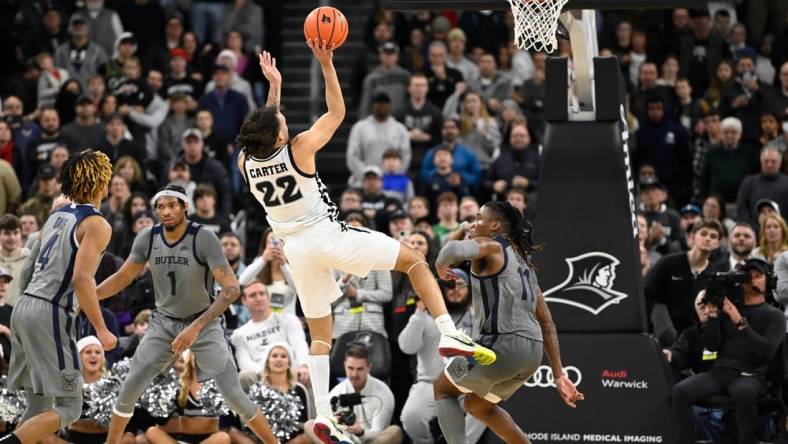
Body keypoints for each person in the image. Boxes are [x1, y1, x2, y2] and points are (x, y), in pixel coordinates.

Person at [236, 46, 496, 444]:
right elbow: (337, 113)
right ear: (279, 134)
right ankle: (448, 333)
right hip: (326, 235)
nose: (285, 121)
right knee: (413, 260)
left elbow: (264, 132)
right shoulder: (300, 147)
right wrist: (326, 64)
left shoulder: (245, 163)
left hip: (296, 251)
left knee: (321, 333)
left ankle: (323, 414)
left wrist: (274, 90)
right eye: (281, 123)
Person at [94, 184, 277, 444]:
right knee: (130, 386)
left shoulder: (203, 237)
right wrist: (89, 297)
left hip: (204, 321)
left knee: (233, 394)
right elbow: (123, 276)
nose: (166, 212)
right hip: (163, 322)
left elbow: (232, 289)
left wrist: (195, 328)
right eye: (161, 207)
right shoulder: (147, 237)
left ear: (184, 207)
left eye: (172, 206)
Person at [432, 201, 584, 444]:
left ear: (494, 225)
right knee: (477, 406)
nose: (473, 223)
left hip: (499, 348)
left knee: (443, 388)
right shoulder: (526, 265)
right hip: (531, 356)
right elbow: (547, 323)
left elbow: (451, 252)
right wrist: (558, 374)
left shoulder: (491, 245)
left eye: (479, 218)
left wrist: (440, 264)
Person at [2, 150, 117, 444]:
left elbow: (29, 264)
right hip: (49, 311)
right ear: (100, 183)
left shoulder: (56, 215)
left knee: (39, 405)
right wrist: (102, 329)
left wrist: (25, 306)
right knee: (70, 406)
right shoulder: (97, 224)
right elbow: (81, 278)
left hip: (25, 304)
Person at [671, 259, 785, 444]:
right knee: (680, 391)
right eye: (748, 276)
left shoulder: (774, 315)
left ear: (769, 281)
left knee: (744, 393)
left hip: (751, 375)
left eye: (758, 276)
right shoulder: (727, 311)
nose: (752, 280)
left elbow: (765, 351)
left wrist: (739, 320)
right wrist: (714, 315)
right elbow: (712, 346)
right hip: (719, 372)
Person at [399, 268, 484, 444]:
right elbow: (407, 347)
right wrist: (419, 313)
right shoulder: (426, 316)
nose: (455, 290)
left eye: (461, 285)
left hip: (465, 383)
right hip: (430, 382)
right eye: (450, 286)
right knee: (411, 417)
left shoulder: (477, 317)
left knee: (483, 407)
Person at [45, 336, 136, 444]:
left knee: (129, 439)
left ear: (102, 358)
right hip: (73, 439)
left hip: (109, 439)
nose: (93, 355)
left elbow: (127, 420)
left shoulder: (114, 383)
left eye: (98, 352)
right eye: (88, 352)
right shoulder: (66, 384)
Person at [644, 219, 724, 342]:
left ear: (718, 243)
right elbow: (647, 296)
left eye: (713, 236)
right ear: (692, 237)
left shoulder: (713, 276)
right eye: (703, 234)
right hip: (663, 338)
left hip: (693, 341)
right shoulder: (667, 263)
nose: (708, 238)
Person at [305, 346, 403, 444]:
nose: (354, 374)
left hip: (371, 441)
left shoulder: (384, 394)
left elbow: (378, 433)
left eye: (360, 369)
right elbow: (331, 431)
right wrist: (335, 424)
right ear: (344, 366)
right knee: (310, 425)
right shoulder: (336, 393)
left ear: (369, 367)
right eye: (350, 368)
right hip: (343, 441)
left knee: (395, 431)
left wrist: (360, 432)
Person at [231, 280, 310, 392]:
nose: (258, 298)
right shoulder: (239, 334)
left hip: (291, 371)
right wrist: (266, 373)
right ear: (244, 301)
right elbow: (243, 361)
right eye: (253, 295)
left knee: (311, 371)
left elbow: (299, 344)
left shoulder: (288, 319)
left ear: (268, 297)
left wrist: (304, 365)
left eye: (262, 294)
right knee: (244, 376)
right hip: (260, 376)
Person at [228, 343, 311, 444]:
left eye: (283, 356)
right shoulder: (255, 388)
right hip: (256, 440)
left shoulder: (299, 389)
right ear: (267, 361)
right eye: (274, 356)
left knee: (307, 436)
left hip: (291, 441)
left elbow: (305, 424)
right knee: (232, 433)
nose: (278, 359)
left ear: (289, 362)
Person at [144, 350, 232, 444]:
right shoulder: (177, 383)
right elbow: (164, 424)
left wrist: (184, 423)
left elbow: (214, 425)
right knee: (152, 432)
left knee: (223, 437)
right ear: (190, 358)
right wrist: (193, 424)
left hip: (207, 441)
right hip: (178, 440)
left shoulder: (216, 386)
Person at [736, 146, 788, 226]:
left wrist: (780, 227)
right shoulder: (749, 182)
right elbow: (741, 209)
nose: (769, 165)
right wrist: (752, 228)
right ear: (761, 162)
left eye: (773, 161)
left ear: (780, 163)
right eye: (766, 161)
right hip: (753, 229)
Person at [0, 215, 31, 307]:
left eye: (15, 233)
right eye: (7, 233)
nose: (12, 238)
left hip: (20, 314)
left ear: (21, 234)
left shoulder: (29, 260)